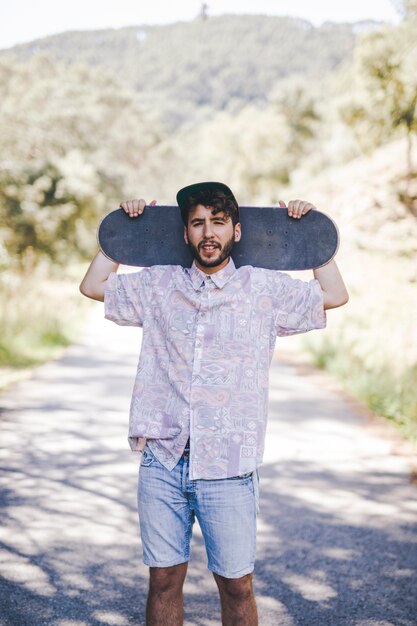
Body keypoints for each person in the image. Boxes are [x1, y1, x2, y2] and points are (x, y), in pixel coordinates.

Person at [79, 181, 348, 626]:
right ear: (185, 233)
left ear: (235, 232)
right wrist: (121, 232)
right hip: (163, 460)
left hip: (229, 463)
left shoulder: (262, 290)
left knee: (237, 585)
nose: (208, 232)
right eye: (198, 223)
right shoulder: (159, 284)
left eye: (218, 223)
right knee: (163, 579)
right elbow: (93, 285)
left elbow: (334, 296)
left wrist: (313, 239)